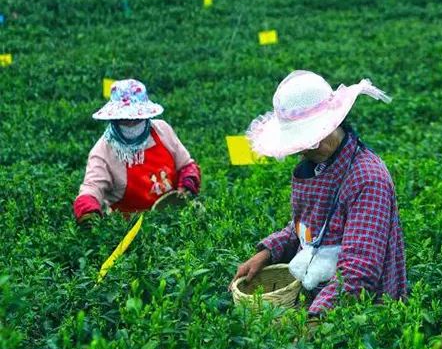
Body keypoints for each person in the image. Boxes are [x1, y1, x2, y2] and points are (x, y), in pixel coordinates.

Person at [231, 71, 407, 320]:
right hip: (312, 292)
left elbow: (358, 271)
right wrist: (267, 252)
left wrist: (311, 322)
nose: (299, 150)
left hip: (359, 313)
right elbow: (304, 228)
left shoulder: (368, 178)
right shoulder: (313, 165)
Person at [73, 79, 201, 224]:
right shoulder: (103, 151)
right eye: (125, 119)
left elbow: (186, 166)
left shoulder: (162, 130)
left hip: (176, 217)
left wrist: (187, 185)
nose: (131, 123)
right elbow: (92, 188)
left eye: (137, 118)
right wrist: (87, 210)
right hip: (132, 229)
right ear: (114, 118)